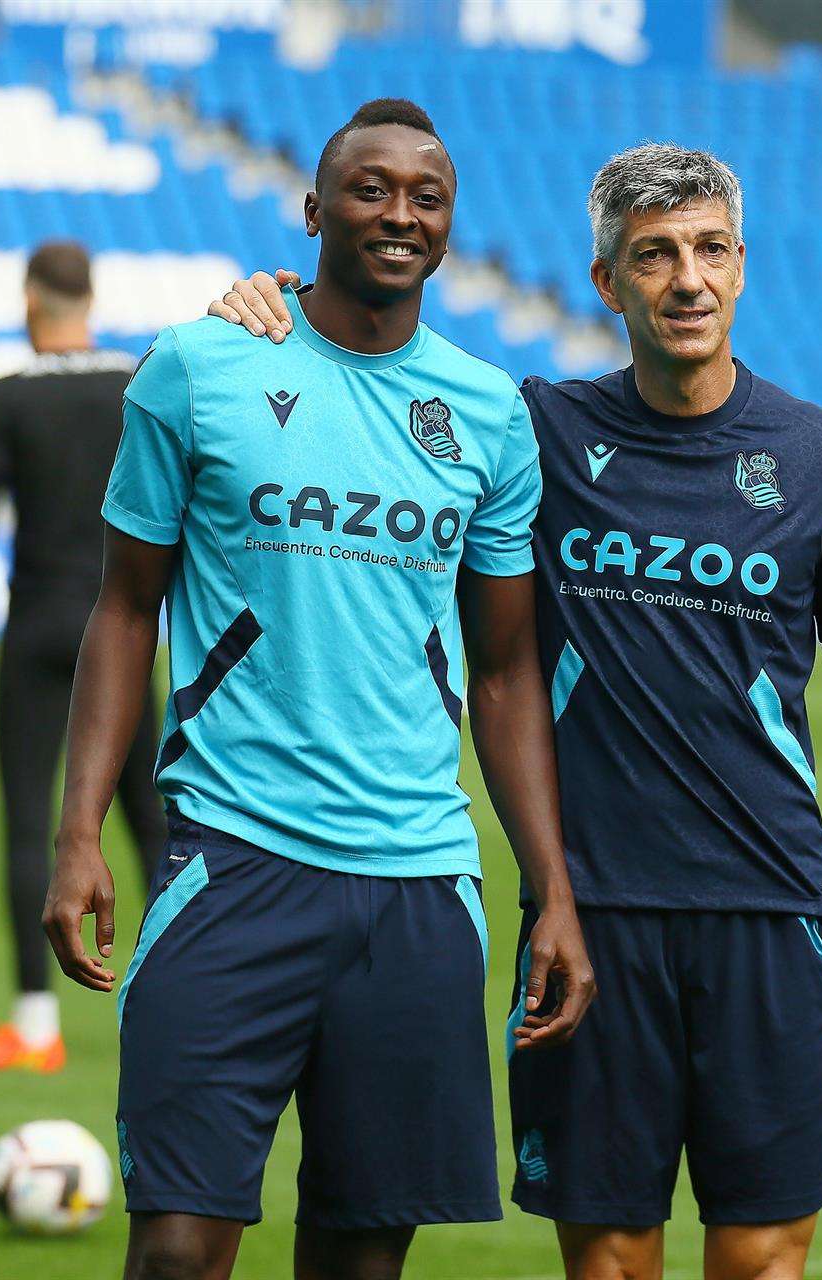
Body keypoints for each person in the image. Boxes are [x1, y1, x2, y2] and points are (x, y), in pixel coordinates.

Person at [211, 142, 822, 1280]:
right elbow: (375, 378)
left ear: (743, 266)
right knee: (606, 1263)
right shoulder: (528, 431)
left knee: (763, 1261)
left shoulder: (819, 454)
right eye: (653, 256)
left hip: (771, 909)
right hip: (589, 917)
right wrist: (275, 300)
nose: (686, 280)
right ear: (608, 284)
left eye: (708, 251)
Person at [41, 99, 596, 1280]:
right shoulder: (198, 366)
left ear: (450, 226)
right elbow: (125, 607)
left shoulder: (490, 413)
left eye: (425, 196)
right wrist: (80, 827)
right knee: (178, 1250)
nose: (399, 212)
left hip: (415, 882)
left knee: (360, 1258)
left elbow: (504, 672)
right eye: (369, 188)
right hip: (231, 863)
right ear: (312, 210)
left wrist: (551, 887)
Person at [0, 241, 166, 1074]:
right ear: (91, 296)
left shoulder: (6, 398)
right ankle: (173, 997)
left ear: (31, 300)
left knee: (29, 819)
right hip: (125, 626)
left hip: (35, 626)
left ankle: (34, 1024)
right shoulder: (134, 384)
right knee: (150, 816)